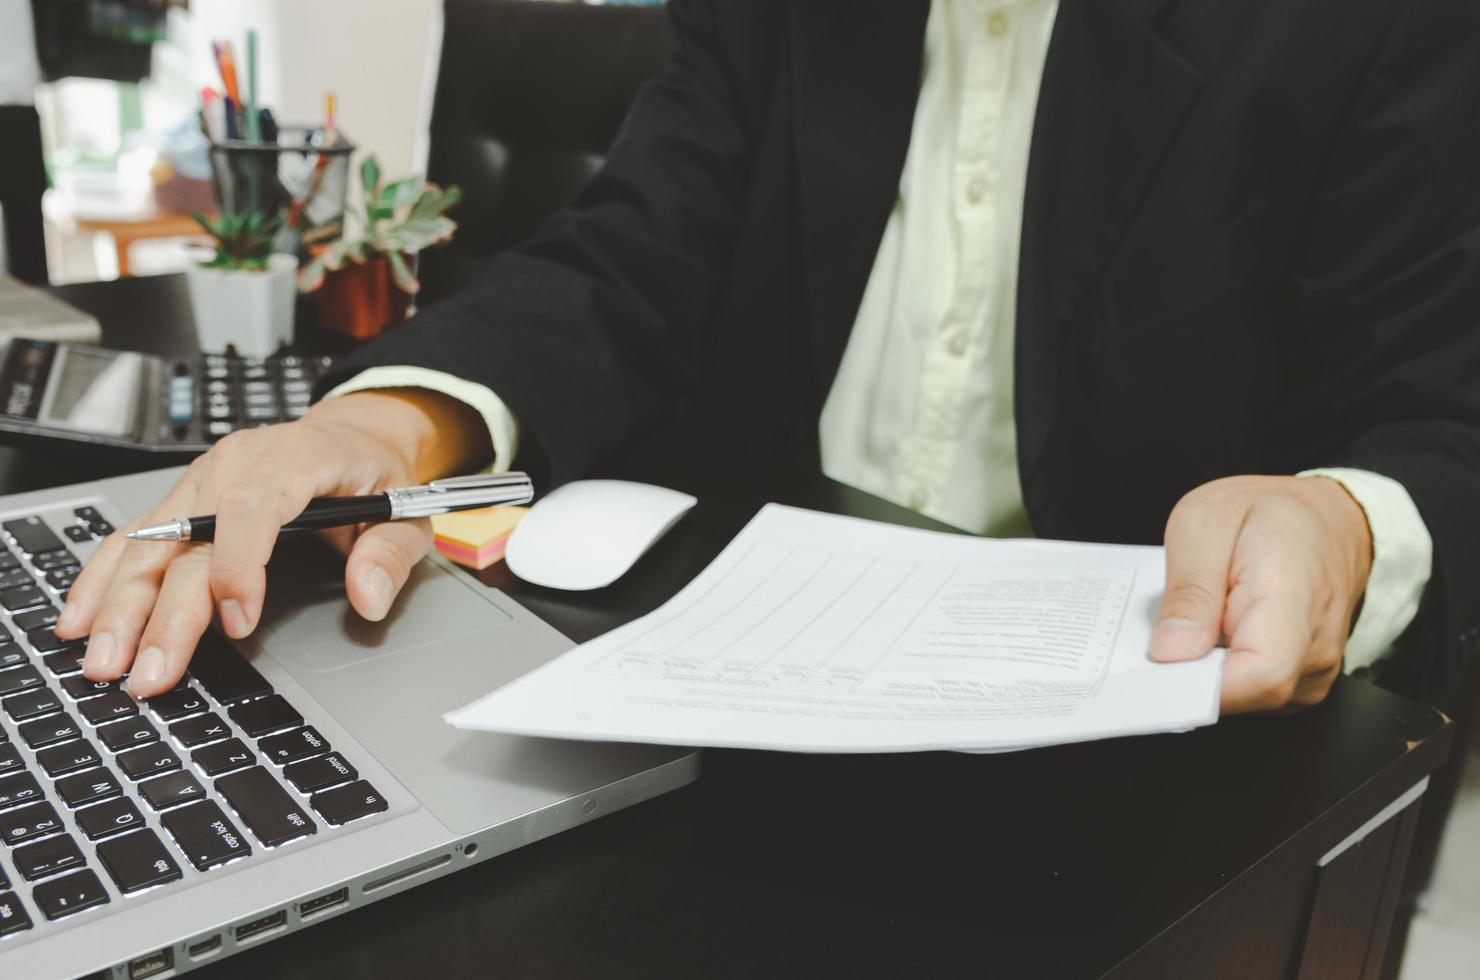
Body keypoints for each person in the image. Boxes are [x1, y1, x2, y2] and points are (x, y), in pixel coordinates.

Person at [60, 0, 1480, 717]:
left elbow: (1434, 407)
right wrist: (385, 433)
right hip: (733, 678)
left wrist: (1343, 516)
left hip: (1146, 734)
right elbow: (630, 256)